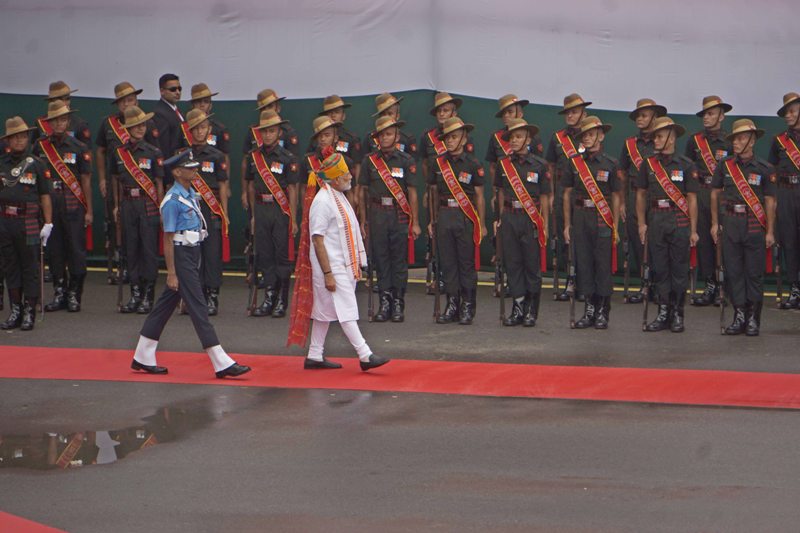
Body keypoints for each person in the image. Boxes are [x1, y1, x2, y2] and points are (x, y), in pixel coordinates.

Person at [131, 149, 251, 378]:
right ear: (177, 172)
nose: (195, 170)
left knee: (164, 306)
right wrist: (172, 273)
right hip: (180, 255)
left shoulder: (189, 194)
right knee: (198, 307)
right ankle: (220, 361)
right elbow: (167, 239)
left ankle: (143, 355)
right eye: (189, 167)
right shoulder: (173, 201)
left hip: (192, 252)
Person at [287, 147, 389, 371]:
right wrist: (327, 274)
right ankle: (365, 355)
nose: (350, 176)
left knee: (323, 311)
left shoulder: (337, 196)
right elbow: (317, 240)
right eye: (345, 174)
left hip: (342, 264)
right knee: (347, 309)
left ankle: (314, 355)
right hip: (332, 266)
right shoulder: (323, 202)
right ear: (333, 179)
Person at [711, 119, 777, 336]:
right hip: (730, 223)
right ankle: (739, 315)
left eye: (740, 138)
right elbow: (715, 193)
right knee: (734, 272)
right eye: (734, 139)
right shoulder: (725, 165)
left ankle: (753, 318)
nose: (736, 143)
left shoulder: (765, 169)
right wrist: (714, 223)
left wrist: (769, 231)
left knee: (754, 273)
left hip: (754, 225)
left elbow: (770, 201)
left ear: (752, 140)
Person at [635, 117, 700, 332]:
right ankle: (663, 312)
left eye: (660, 136)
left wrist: (693, 229)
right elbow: (641, 194)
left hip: (679, 221)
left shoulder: (686, 164)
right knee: (660, 269)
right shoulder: (648, 164)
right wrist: (642, 224)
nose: (655, 140)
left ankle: (677, 313)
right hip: (656, 220)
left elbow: (691, 198)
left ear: (671, 138)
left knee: (679, 270)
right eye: (654, 136)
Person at [95, 82, 159, 285]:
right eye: (123, 101)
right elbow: (101, 152)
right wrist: (103, 179)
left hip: (146, 193)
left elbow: (157, 167)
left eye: (130, 99)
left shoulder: (149, 129)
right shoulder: (108, 124)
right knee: (123, 234)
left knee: (146, 242)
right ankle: (124, 270)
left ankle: (146, 287)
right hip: (123, 187)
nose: (127, 104)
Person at [359, 115, 420, 322]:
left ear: (396, 135)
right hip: (377, 214)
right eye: (381, 135)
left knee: (398, 261)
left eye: (389, 134)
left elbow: (412, 193)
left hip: (399, 214)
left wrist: (416, 222)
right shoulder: (369, 161)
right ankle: (384, 303)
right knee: (381, 260)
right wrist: (363, 220)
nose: (385, 138)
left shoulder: (406, 160)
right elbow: (362, 192)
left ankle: (398, 303)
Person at [563, 116, 622, 329]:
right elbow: (567, 194)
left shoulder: (611, 163)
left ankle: (603, 311)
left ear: (601, 135)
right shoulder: (575, 163)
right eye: (584, 135)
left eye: (590, 134)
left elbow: (616, 195)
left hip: (602, 217)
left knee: (602, 265)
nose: (586, 138)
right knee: (584, 264)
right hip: (580, 216)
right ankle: (588, 310)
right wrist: (567, 224)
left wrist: (614, 223)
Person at [34, 101, 93, 312]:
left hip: (73, 203)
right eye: (55, 121)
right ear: (49, 123)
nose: (59, 124)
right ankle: (59, 292)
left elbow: (85, 180)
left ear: (68, 121)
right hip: (50, 204)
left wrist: (89, 210)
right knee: (55, 251)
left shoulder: (79, 147)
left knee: (76, 251)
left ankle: (74, 294)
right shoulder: (40, 146)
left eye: (62, 119)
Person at [428, 117, 487, 325]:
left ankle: (467, 305)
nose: (450, 141)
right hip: (444, 214)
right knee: (448, 264)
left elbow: (479, 195)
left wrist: (481, 223)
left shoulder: (473, 163)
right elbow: (433, 193)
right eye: (447, 138)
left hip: (465, 216)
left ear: (463, 139)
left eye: (454, 137)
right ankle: (452, 304)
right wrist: (432, 220)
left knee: (466, 264)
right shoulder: (438, 163)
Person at [495, 118, 551, 326]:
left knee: (531, 266)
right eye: (511, 137)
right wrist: (501, 218)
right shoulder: (503, 164)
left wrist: (544, 222)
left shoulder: (540, 165)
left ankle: (531, 310)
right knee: (513, 263)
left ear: (528, 138)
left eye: (519, 137)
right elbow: (500, 192)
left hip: (531, 219)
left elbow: (545, 197)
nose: (514, 141)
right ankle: (517, 307)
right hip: (510, 217)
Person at [245, 110, 299, 318]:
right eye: (264, 131)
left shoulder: (288, 158)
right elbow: (250, 186)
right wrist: (252, 215)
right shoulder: (254, 157)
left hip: (280, 209)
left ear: (279, 133)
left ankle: (281, 301)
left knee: (282, 257)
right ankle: (269, 297)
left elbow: (293, 190)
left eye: (272, 131)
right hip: (261, 208)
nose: (268, 135)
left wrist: (293, 217)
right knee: (265, 255)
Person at [0, 117, 52, 330]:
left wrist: (48, 223)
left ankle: (30, 310)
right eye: (15, 137)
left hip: (29, 221)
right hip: (5, 221)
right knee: (10, 266)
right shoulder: (1, 163)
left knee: (30, 268)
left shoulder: (37, 164)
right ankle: (15, 311)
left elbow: (45, 196)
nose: (20, 140)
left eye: (23, 136)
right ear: (8, 140)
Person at [111, 106, 165, 314]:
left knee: (149, 252)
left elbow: (159, 182)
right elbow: (115, 180)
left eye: (143, 125)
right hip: (127, 204)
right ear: (128, 129)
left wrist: (160, 208)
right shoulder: (119, 153)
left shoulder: (154, 152)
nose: (140, 129)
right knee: (131, 250)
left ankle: (148, 296)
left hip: (148, 204)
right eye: (136, 126)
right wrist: (117, 205)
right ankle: (135, 294)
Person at [685, 96, 732, 306]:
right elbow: (687, 168)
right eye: (705, 113)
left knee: (723, 241)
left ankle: (726, 286)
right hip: (701, 192)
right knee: (703, 240)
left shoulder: (731, 141)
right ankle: (710, 284)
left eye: (711, 113)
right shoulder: (694, 141)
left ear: (721, 116)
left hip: (723, 195)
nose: (706, 117)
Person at [545, 93, 592, 302]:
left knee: (584, 240)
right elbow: (550, 167)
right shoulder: (558, 139)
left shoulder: (591, 135)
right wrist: (552, 192)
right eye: (567, 112)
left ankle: (585, 283)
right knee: (566, 239)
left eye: (574, 111)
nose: (570, 116)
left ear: (584, 112)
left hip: (586, 196)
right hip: (564, 194)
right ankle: (570, 281)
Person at [619, 98, 667, 303]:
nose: (640, 118)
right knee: (638, 243)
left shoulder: (661, 141)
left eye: (644, 115)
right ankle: (644, 285)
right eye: (638, 115)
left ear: (655, 117)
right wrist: (622, 202)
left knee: (657, 242)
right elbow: (621, 174)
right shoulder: (630, 144)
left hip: (655, 198)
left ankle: (659, 285)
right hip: (633, 196)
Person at [185, 109, 230, 315]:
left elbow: (222, 185)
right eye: (196, 128)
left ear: (209, 129)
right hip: (190, 209)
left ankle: (212, 296)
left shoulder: (217, 155)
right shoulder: (184, 155)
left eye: (203, 127)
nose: (200, 132)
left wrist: (224, 213)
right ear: (189, 130)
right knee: (192, 255)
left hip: (211, 208)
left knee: (212, 254)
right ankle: (195, 297)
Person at [769, 92, 800, 309]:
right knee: (789, 241)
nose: (788, 116)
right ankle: (795, 288)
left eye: (792, 111)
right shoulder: (779, 141)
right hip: (786, 192)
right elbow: (772, 171)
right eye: (785, 112)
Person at [151, 73, 189, 182]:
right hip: (172, 172)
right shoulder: (160, 113)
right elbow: (164, 148)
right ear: (162, 91)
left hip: (182, 167)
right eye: (173, 89)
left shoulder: (177, 110)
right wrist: (168, 177)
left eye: (179, 88)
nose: (177, 92)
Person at [188, 83, 230, 172]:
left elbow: (225, 158)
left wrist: (226, 182)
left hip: (211, 177)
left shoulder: (219, 129)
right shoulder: (183, 128)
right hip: (188, 177)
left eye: (206, 101)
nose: (202, 105)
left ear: (210, 105)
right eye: (198, 101)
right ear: (192, 105)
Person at [38, 81, 92, 148]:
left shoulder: (80, 124)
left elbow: (86, 152)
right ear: (51, 101)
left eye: (67, 99)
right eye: (59, 99)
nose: (64, 103)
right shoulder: (41, 123)